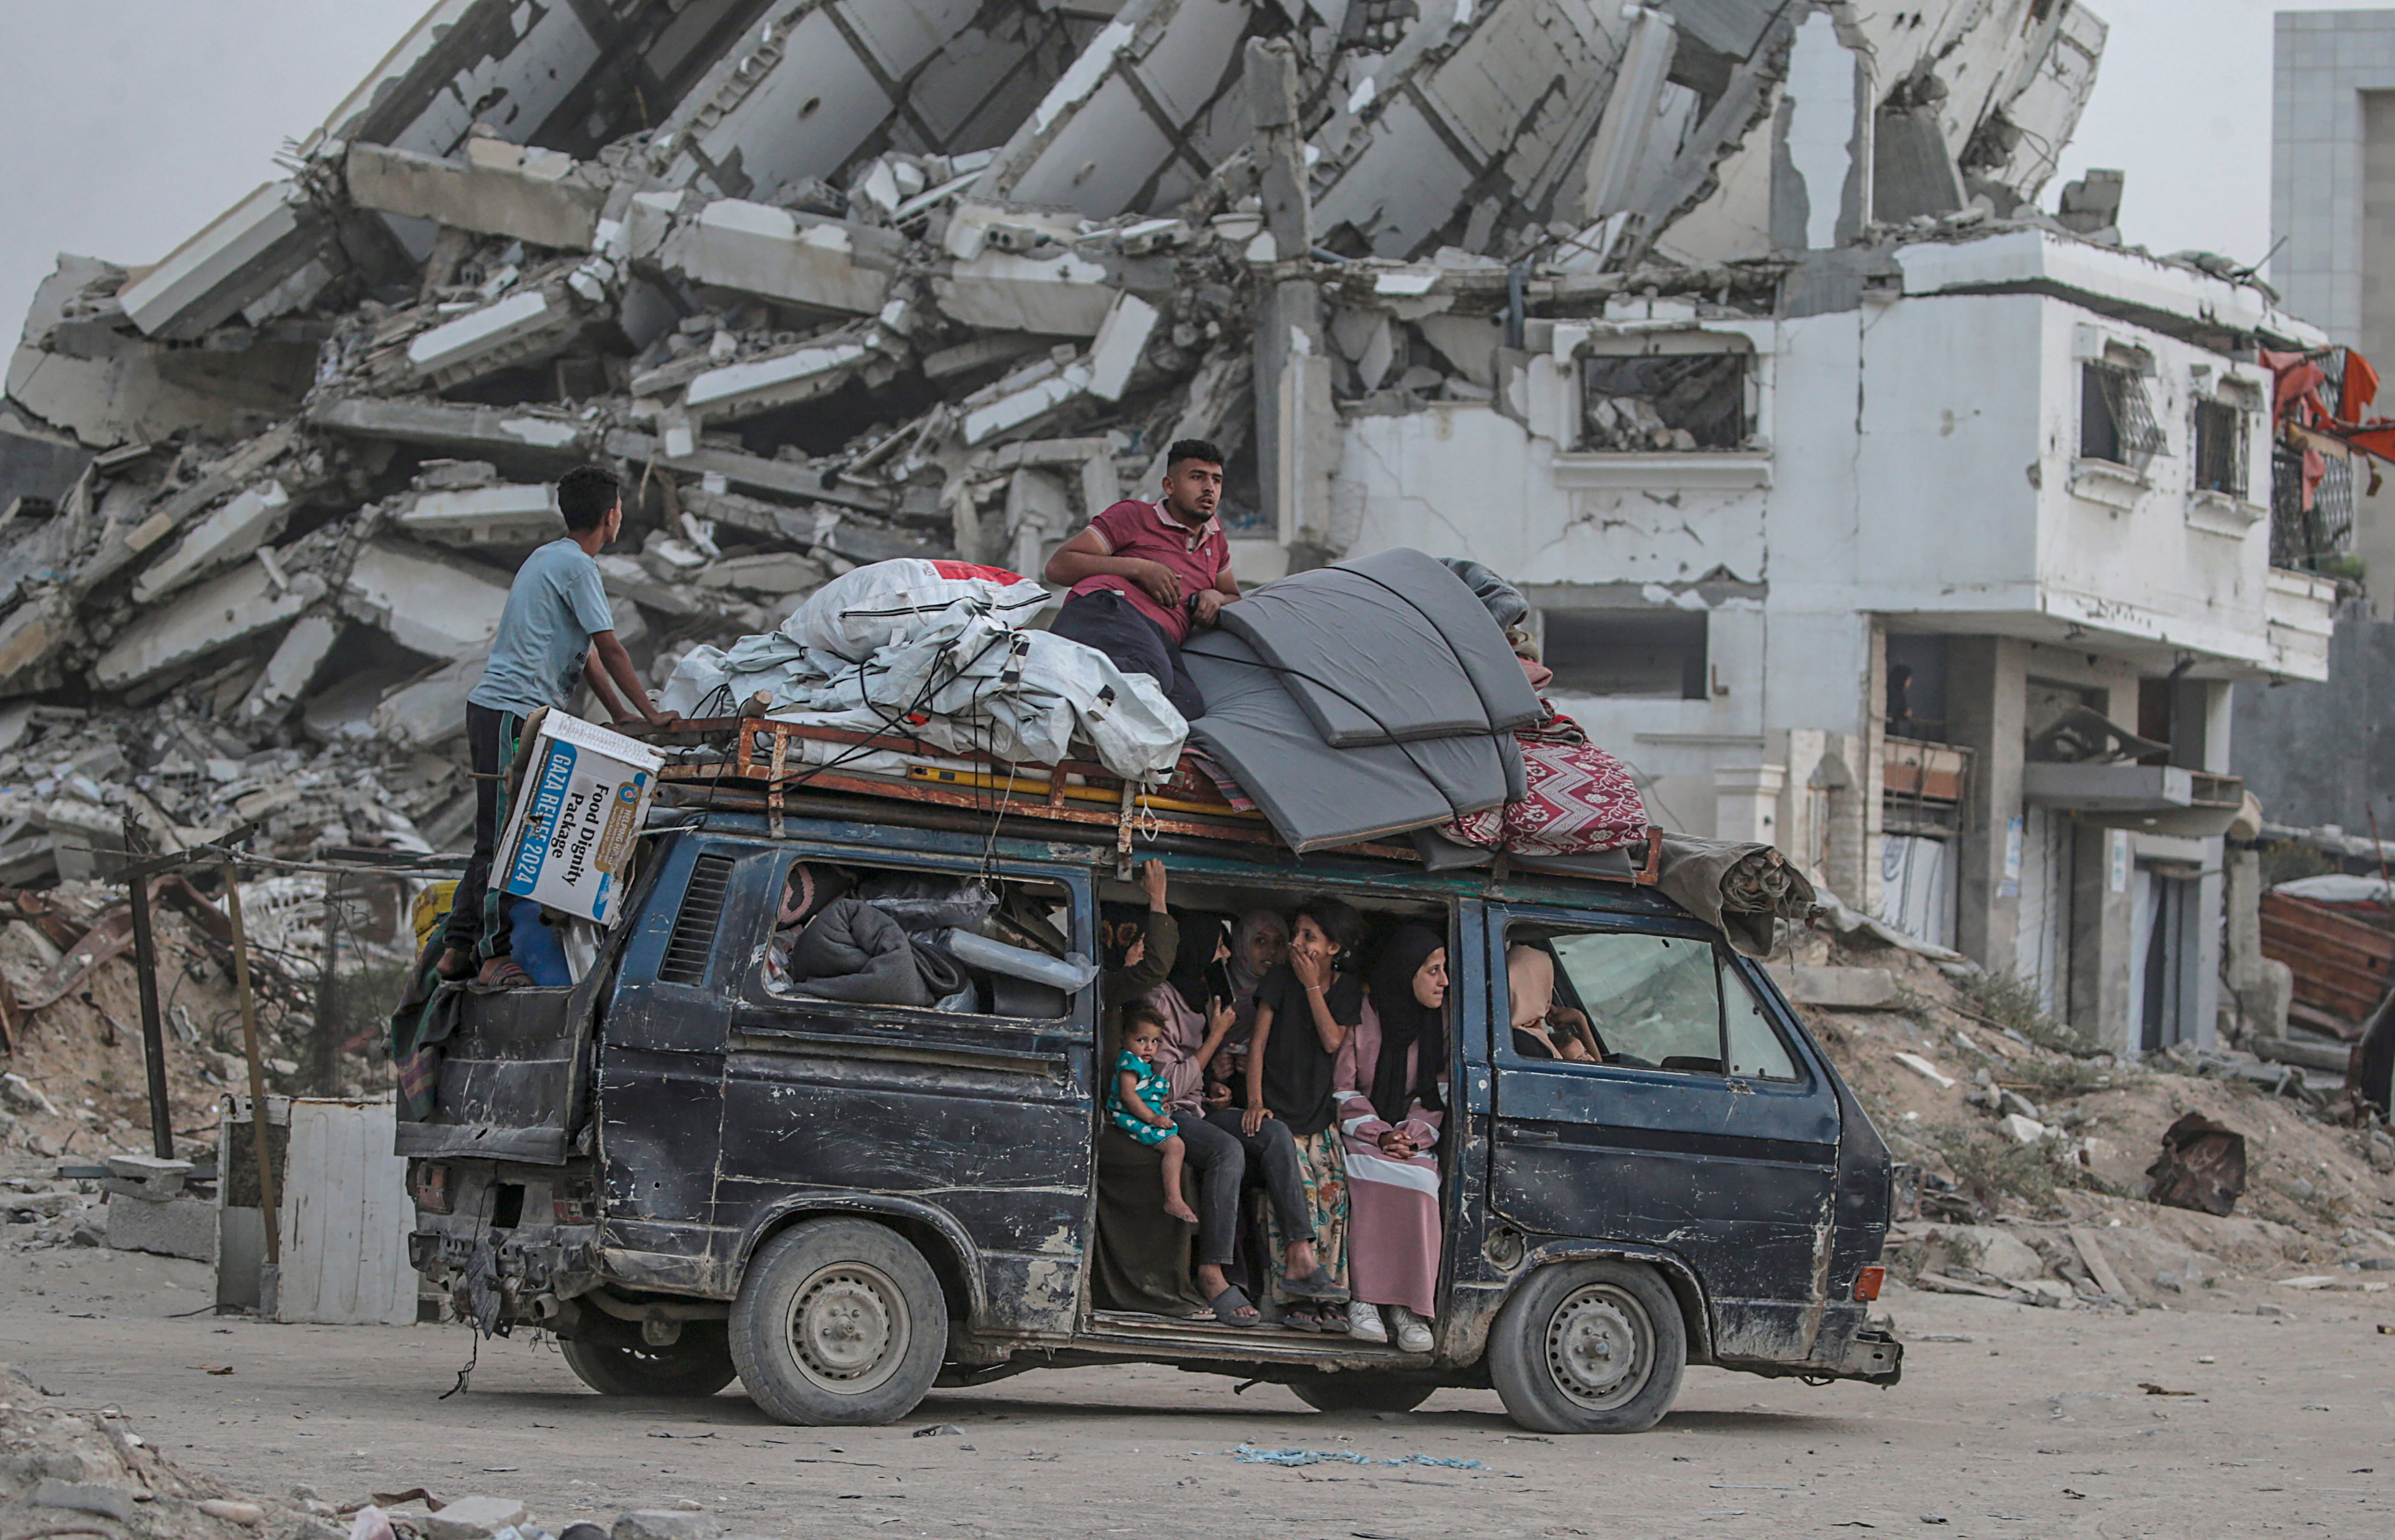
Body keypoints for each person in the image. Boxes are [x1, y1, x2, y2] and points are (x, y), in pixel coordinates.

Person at [439, 466, 676, 987]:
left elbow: (586, 654)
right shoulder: (578, 567)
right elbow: (611, 647)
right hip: (511, 712)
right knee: (506, 839)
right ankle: (490, 954)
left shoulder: (549, 558)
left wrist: (621, 714)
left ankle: (456, 950)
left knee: (498, 835)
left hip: (505, 712)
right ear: (610, 516)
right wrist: (653, 714)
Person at [1042, 439, 1237, 722]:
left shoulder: (1216, 540)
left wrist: (1216, 597)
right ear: (1169, 486)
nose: (1209, 488)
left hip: (1159, 638)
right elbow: (1058, 567)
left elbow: (1234, 597)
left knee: (1187, 710)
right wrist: (1141, 569)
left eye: (1216, 480)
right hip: (1107, 610)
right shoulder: (1135, 515)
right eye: (1197, 477)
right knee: (1147, 674)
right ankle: (1043, 669)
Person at [1241, 896, 1365, 1329]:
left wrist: (1313, 986)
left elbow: (1332, 1041)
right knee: (1302, 1195)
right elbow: (1257, 1046)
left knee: (1334, 1196)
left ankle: (1328, 1292)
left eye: (1308, 937)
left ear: (1334, 947)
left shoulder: (1346, 988)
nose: (1297, 943)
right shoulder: (1279, 979)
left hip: (1318, 1114)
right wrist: (1254, 1102)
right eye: (1297, 934)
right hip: (1278, 1113)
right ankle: (1295, 1297)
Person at [1335, 926, 1450, 1350]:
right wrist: (1380, 1133)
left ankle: (1407, 1306)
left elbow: (1438, 1092)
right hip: (1363, 1131)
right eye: (1433, 971)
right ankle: (1364, 1299)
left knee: (1421, 1183)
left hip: (1413, 1137)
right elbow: (1343, 1089)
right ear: (1405, 972)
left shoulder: (1440, 1023)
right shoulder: (1362, 1016)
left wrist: (1410, 1136)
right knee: (1364, 1176)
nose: (1444, 981)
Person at [1109, 1006, 1199, 1226]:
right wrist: (1152, 1118)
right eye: (1141, 1040)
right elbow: (1128, 1096)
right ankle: (1174, 1199)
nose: (1149, 1047)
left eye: (1155, 1041)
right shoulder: (1130, 1064)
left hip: (1143, 1112)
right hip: (1129, 1116)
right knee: (1175, 1146)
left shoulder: (1140, 1065)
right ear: (1123, 1038)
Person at [1505, 943, 1602, 1062]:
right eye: (1542, 986)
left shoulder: (1525, 1034)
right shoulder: (1528, 1045)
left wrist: (1579, 1019)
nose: (1546, 997)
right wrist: (1580, 1020)